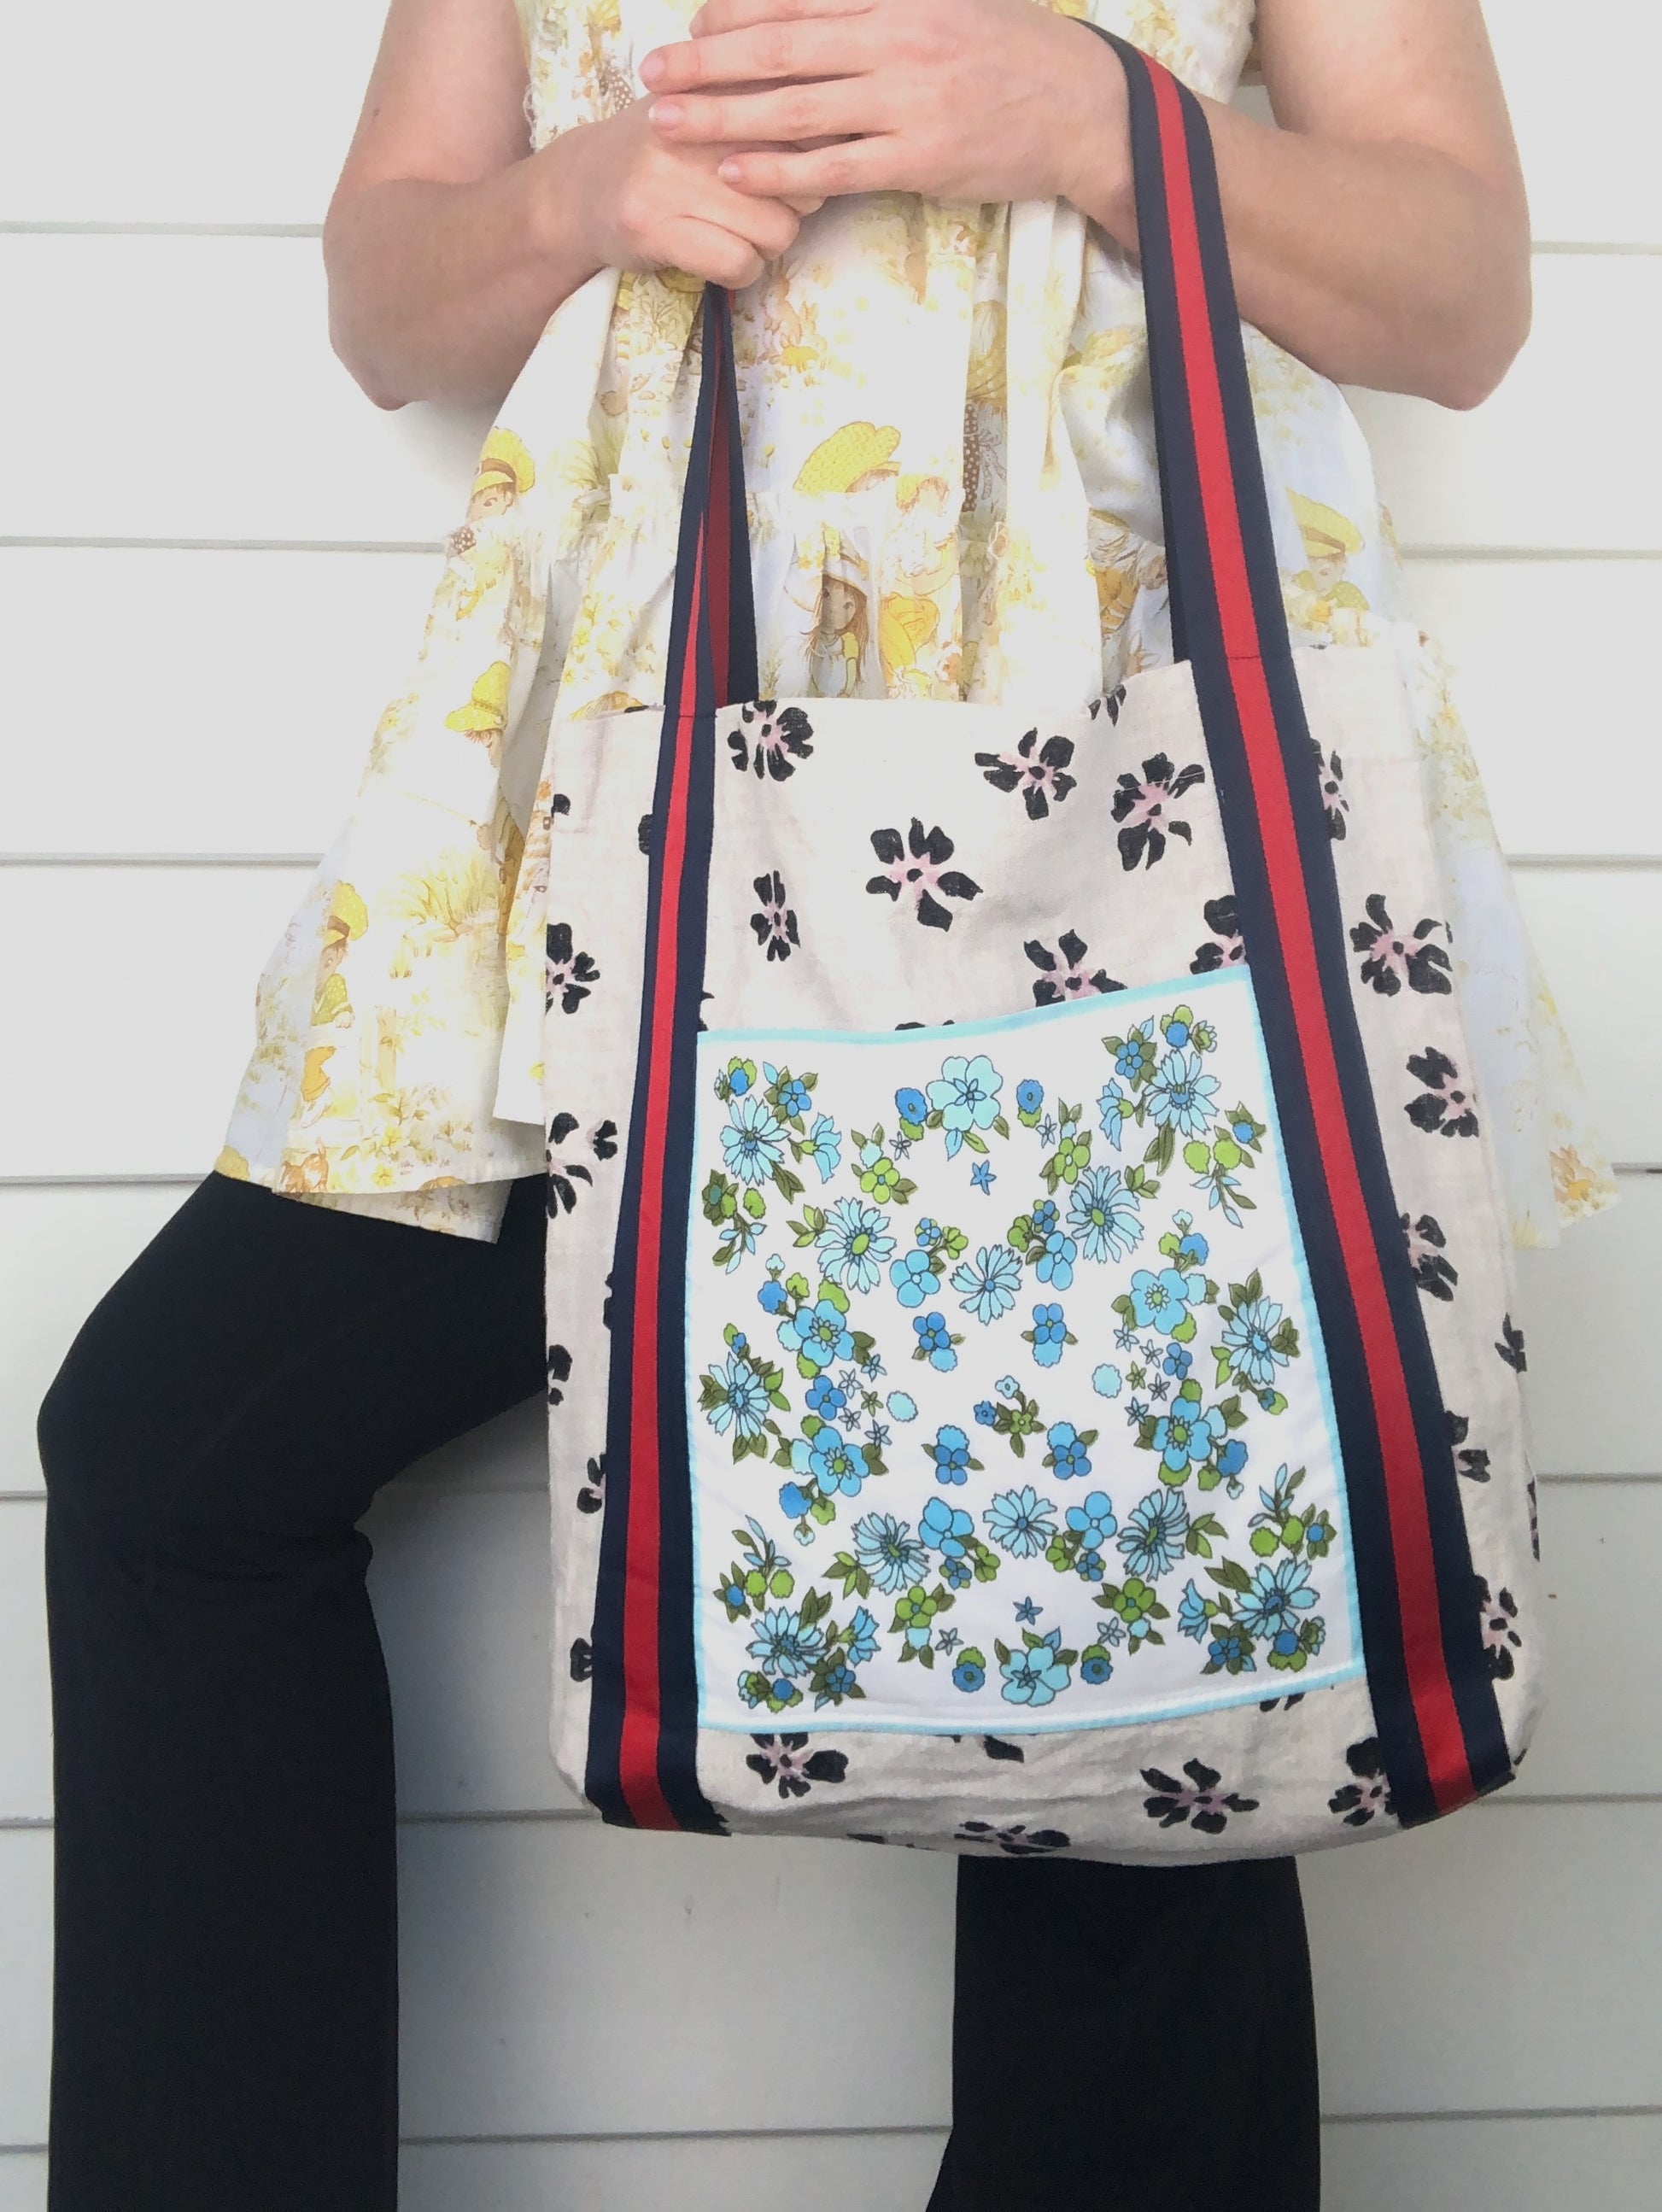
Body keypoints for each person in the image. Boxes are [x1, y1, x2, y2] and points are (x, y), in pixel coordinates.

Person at [35, 3, 1613, 2209]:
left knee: (1132, 1575)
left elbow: (1456, 302)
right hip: (622, 787)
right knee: (176, 1447)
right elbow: (385, 303)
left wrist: (1101, 122)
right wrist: (569, 205)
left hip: (1120, 769)